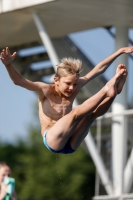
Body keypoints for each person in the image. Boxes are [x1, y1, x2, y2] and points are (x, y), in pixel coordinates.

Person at [0, 46, 133, 154]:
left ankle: (113, 93)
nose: (72, 88)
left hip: (72, 141)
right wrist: (8, 65)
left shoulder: (75, 85)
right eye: (68, 83)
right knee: (75, 113)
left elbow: (98, 69)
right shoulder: (45, 90)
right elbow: (19, 81)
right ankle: (106, 90)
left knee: (90, 116)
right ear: (56, 80)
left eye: (75, 84)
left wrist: (119, 51)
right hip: (53, 140)